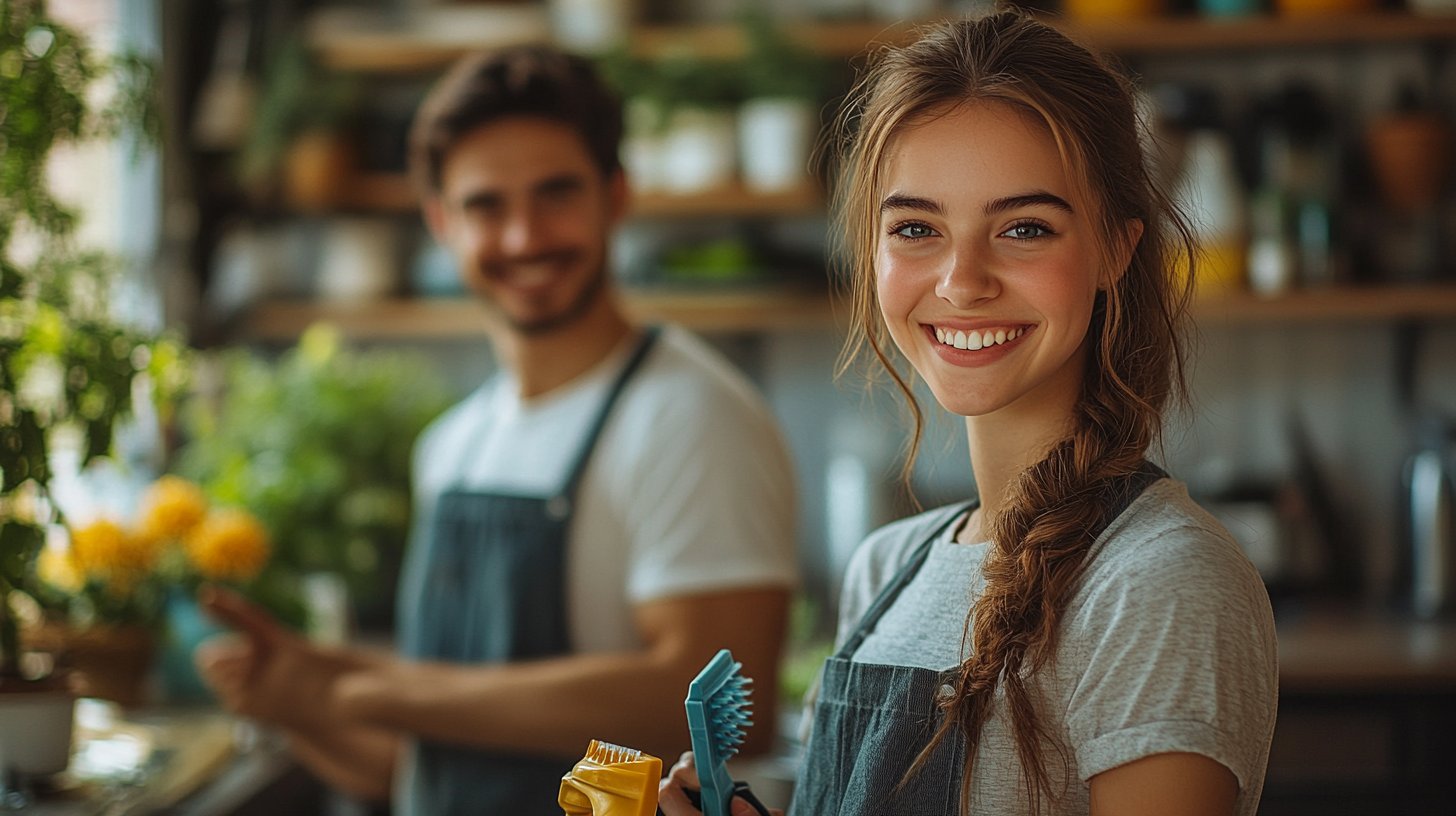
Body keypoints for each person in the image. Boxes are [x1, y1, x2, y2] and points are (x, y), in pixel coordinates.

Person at [660, 11, 1277, 816]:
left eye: (1024, 228)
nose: (961, 280)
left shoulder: (1158, 583)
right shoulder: (887, 569)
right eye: (917, 228)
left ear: (1117, 249)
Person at [195, 44, 799, 816]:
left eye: (556, 194)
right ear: (441, 222)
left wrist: (376, 685)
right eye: (486, 205)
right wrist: (301, 703)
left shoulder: (691, 416)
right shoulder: (451, 446)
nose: (523, 237)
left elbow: (716, 715)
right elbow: (419, 768)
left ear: (616, 196)